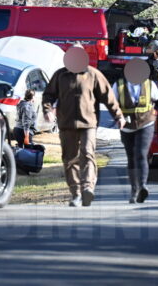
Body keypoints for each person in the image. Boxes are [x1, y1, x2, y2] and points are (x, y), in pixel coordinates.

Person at [43, 46, 124, 207]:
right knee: (70, 159)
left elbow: (108, 96)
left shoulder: (93, 74)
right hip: (67, 123)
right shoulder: (60, 75)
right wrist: (48, 110)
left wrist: (118, 116)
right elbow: (49, 94)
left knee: (87, 153)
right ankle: (76, 193)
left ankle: (88, 188)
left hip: (89, 123)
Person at [115, 60, 158, 204]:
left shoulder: (149, 84)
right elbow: (111, 104)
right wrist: (118, 117)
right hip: (127, 126)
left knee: (141, 154)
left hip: (146, 123)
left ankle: (143, 186)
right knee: (131, 157)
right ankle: (134, 189)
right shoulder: (119, 85)